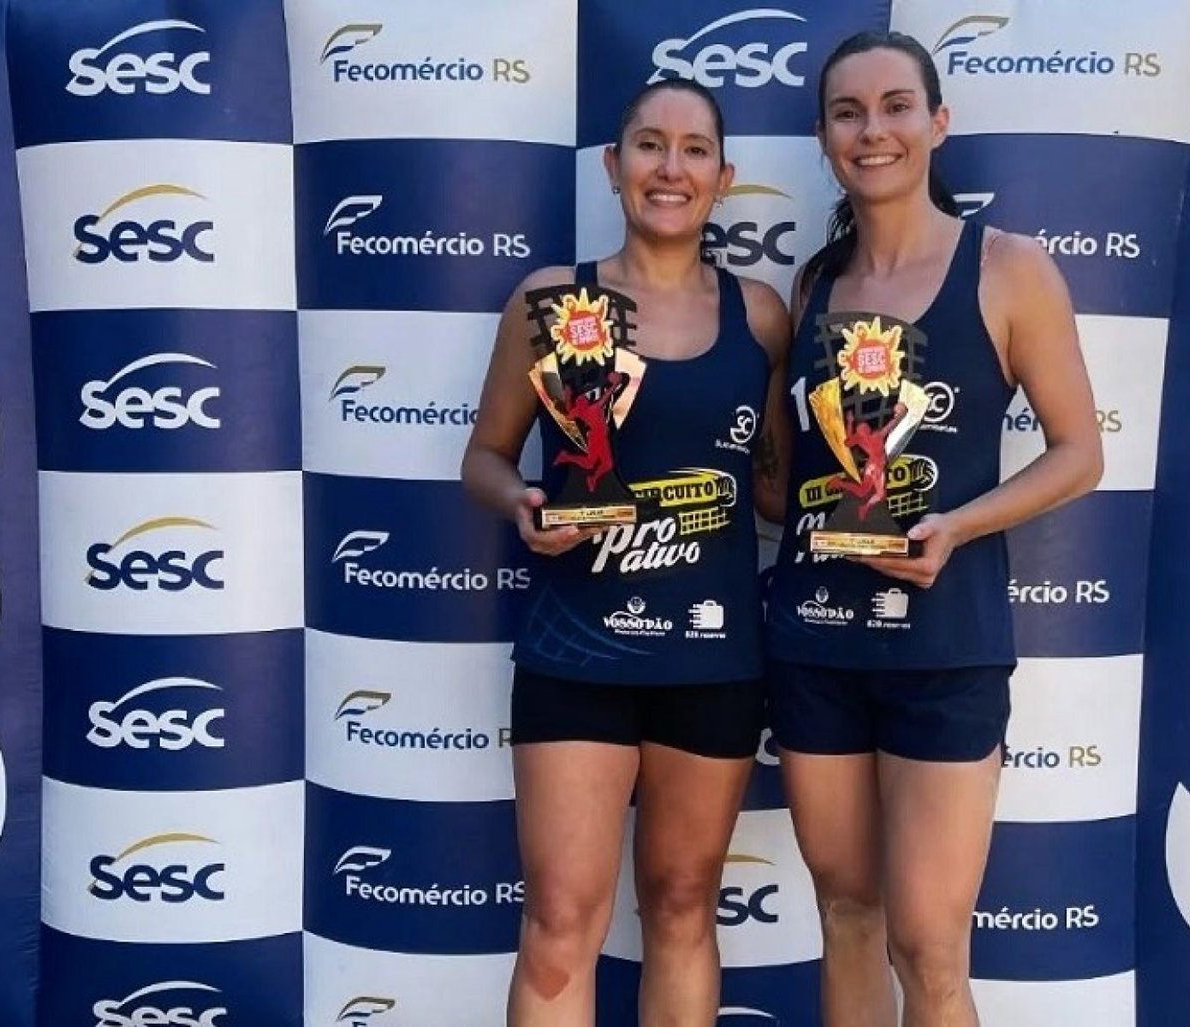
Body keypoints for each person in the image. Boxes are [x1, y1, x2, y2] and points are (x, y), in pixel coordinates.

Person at [756, 30, 1104, 1027]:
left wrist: (955, 524)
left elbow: (1080, 454)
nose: (873, 131)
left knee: (930, 945)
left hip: (946, 649)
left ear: (937, 122)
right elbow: (787, 488)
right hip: (816, 641)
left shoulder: (1008, 268)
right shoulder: (813, 287)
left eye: (895, 106)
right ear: (824, 137)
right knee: (846, 913)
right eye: (847, 112)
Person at [462, 78, 791, 1026]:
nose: (670, 167)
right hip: (577, 653)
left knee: (683, 907)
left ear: (723, 177)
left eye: (695, 149)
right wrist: (523, 503)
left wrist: (879, 483)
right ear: (613, 166)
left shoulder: (760, 314)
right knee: (560, 920)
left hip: (713, 657)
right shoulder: (549, 300)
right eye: (650, 144)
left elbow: (773, 489)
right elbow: (485, 457)